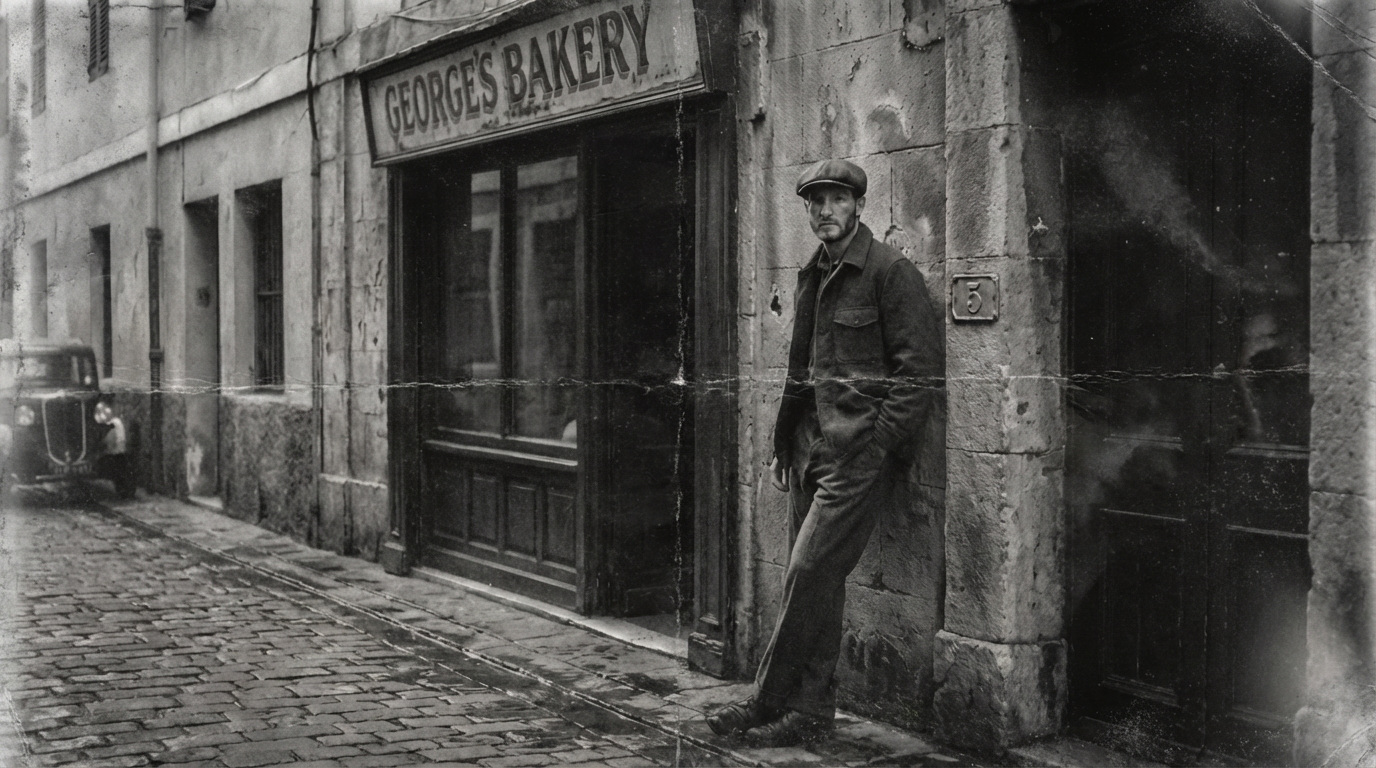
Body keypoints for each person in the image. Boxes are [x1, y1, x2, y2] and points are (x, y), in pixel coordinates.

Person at [707, 159, 943, 746]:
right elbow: (801, 368)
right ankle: (811, 712)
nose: (824, 211)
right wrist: (783, 442)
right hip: (808, 449)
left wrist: (876, 449)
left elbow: (917, 377)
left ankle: (765, 701)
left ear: (859, 205)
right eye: (815, 201)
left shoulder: (891, 273)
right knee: (820, 582)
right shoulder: (812, 271)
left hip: (856, 455)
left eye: (836, 199)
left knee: (808, 571)